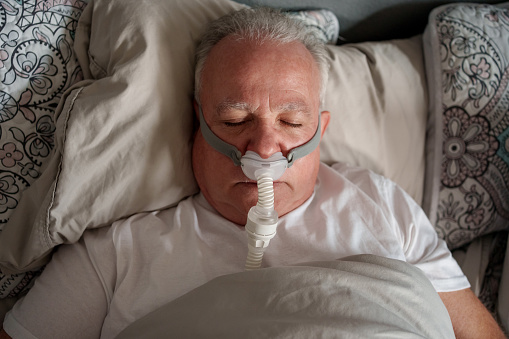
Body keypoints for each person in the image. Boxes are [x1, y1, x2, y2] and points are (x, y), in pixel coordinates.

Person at [1, 7, 506, 339]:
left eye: (291, 121)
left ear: (320, 129)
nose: (265, 147)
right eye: (235, 120)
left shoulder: (380, 202)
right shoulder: (117, 251)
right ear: (197, 121)